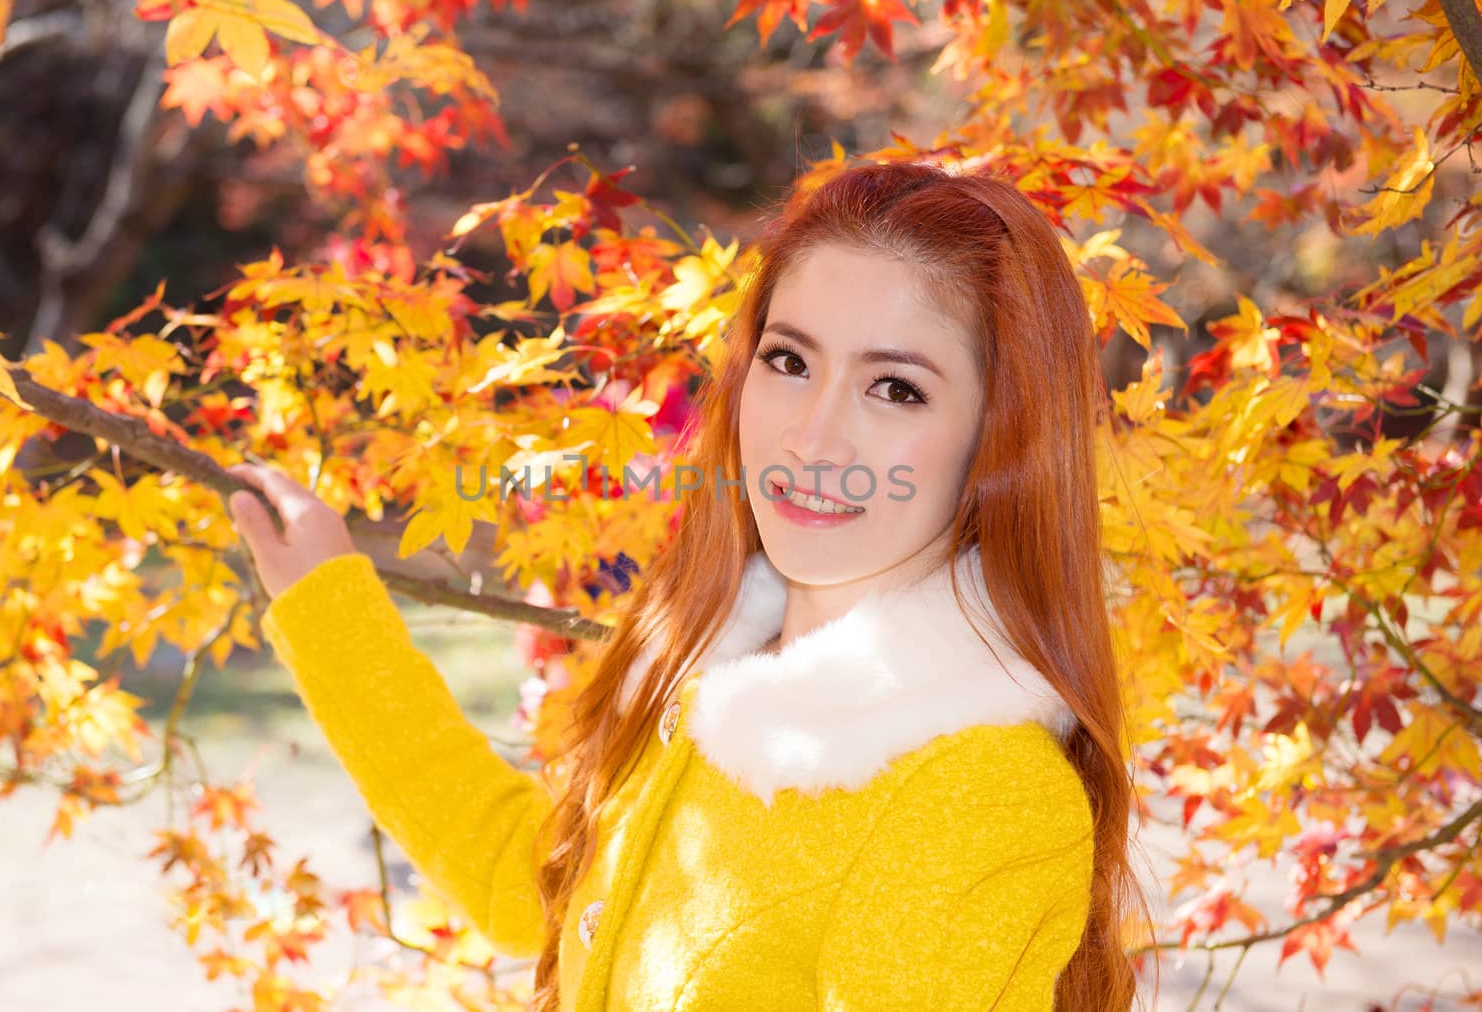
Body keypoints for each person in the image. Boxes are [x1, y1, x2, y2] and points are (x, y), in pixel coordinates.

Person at [227, 159, 1152, 1011]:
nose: (812, 438)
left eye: (896, 389)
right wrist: (331, 612)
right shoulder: (705, 670)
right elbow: (533, 885)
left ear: (1003, 439)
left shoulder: (976, 793)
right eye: (789, 361)